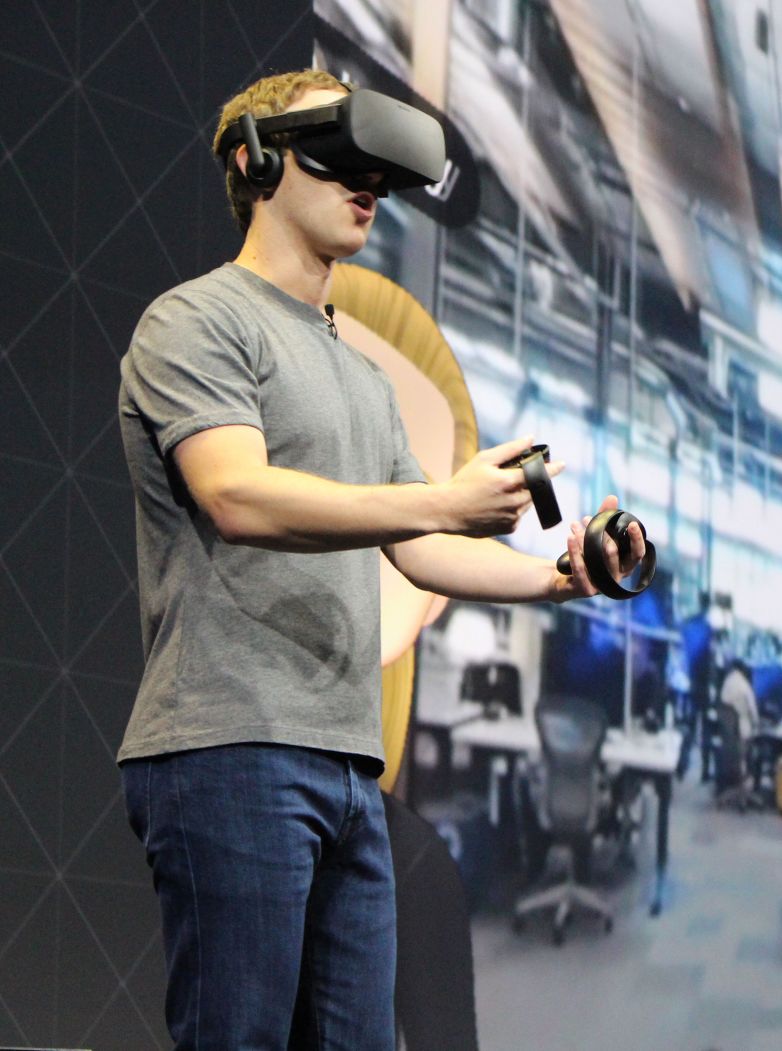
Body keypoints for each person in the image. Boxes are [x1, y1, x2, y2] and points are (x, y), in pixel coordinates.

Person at [115, 70, 642, 1050]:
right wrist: (442, 495)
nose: (365, 183)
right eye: (334, 152)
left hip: (351, 768)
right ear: (254, 159)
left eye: (374, 168)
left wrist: (560, 577)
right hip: (233, 744)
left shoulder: (361, 375)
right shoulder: (196, 322)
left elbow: (419, 544)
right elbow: (235, 494)